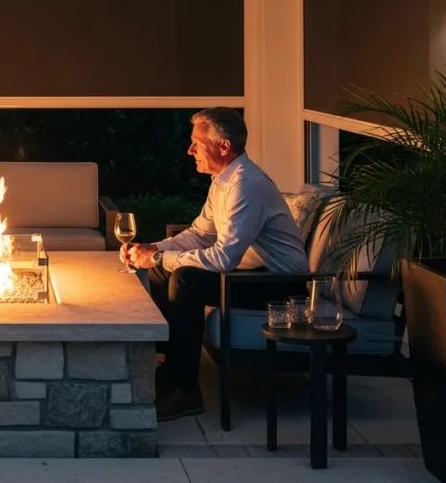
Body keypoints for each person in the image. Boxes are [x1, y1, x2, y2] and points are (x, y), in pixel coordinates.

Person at [121, 107, 308, 421]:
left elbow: (223, 257)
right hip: (251, 274)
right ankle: (170, 370)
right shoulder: (224, 180)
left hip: (281, 285)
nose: (189, 149)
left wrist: (158, 257)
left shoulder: (246, 184)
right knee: (159, 270)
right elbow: (200, 233)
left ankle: (186, 392)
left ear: (224, 147)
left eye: (197, 142)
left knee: (185, 281)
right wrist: (155, 249)